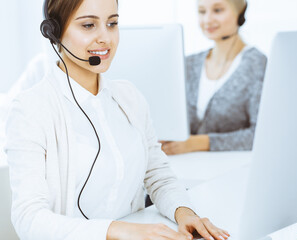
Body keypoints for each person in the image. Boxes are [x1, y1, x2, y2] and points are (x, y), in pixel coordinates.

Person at [4, 0, 230, 239]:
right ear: (54, 32)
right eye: (89, 25)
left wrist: (185, 213)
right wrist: (116, 230)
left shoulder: (128, 97)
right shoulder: (32, 109)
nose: (106, 38)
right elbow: (28, 218)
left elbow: (158, 175)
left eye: (112, 23)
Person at [161, 0, 267, 155]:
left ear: (241, 11)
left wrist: (199, 143)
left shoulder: (256, 64)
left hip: (233, 168)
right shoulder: (188, 64)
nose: (208, 20)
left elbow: (260, 135)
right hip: (186, 167)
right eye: (202, 12)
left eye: (217, 10)